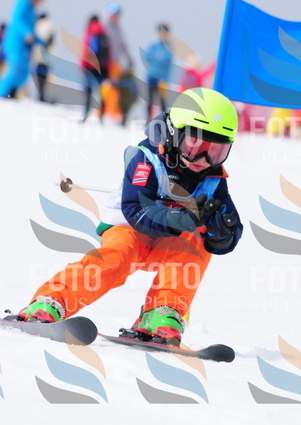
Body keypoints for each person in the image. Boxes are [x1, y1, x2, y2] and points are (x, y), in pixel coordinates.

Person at [16, 88, 243, 344]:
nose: (203, 158)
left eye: (216, 151)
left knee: (197, 244)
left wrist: (222, 235)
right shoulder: (147, 158)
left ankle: (161, 313)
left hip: (171, 243)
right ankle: (51, 301)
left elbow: (230, 223)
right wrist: (179, 219)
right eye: (195, 145)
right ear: (174, 133)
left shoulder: (214, 178)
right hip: (130, 230)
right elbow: (136, 209)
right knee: (116, 258)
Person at [0, 0, 44, 98]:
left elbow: (31, 30)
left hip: (25, 46)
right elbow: (18, 20)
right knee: (16, 68)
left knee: (24, 71)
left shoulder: (32, 10)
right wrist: (26, 32)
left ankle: (11, 92)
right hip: (15, 42)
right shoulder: (23, 3)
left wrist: (41, 42)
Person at [103, 2, 134, 122]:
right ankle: (104, 111)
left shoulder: (118, 29)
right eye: (113, 14)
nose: (115, 17)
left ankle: (114, 112)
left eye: (117, 15)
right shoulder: (104, 27)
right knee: (106, 88)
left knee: (115, 89)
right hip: (105, 63)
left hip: (115, 63)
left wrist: (129, 59)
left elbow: (123, 45)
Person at [81, 15, 110, 122]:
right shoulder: (103, 32)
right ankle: (101, 116)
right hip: (103, 68)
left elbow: (85, 51)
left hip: (90, 67)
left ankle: (86, 114)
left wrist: (83, 66)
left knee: (88, 92)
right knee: (102, 93)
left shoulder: (89, 32)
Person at [143, 23, 173, 121]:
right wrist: (158, 59)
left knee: (162, 101)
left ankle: (164, 121)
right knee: (149, 100)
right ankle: (148, 120)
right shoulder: (153, 45)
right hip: (152, 77)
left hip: (162, 79)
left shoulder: (168, 46)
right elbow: (147, 57)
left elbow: (168, 62)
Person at [32, 13, 56, 102]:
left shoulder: (38, 25)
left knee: (39, 77)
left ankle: (41, 95)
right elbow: (52, 41)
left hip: (39, 56)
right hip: (46, 57)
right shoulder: (50, 25)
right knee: (44, 77)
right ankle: (42, 95)